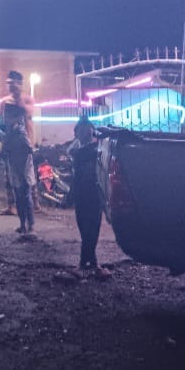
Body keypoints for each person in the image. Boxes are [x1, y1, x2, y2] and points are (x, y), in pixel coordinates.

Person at [0, 70, 37, 235]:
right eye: (8, 83)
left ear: (20, 83)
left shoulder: (27, 100)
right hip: (11, 149)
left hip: (25, 149)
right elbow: (1, 125)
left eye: (13, 83)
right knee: (16, 188)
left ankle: (31, 225)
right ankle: (22, 223)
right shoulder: (4, 102)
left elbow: (27, 112)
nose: (10, 86)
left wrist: (17, 98)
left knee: (26, 188)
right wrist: (3, 145)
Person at [69, 115, 110, 278]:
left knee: (91, 229)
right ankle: (92, 263)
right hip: (82, 194)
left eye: (87, 131)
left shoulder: (95, 150)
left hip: (93, 193)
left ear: (91, 132)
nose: (84, 134)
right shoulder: (83, 150)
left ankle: (84, 263)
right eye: (81, 131)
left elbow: (79, 155)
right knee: (86, 229)